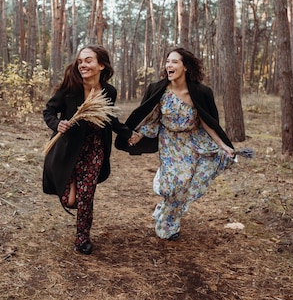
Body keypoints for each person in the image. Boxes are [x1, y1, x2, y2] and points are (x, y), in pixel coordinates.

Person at [116, 47, 236, 241]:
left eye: (174, 62)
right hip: (169, 142)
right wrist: (139, 135)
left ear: (185, 67)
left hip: (193, 141)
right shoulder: (159, 90)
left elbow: (207, 121)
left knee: (188, 183)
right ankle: (164, 191)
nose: (169, 65)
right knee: (174, 186)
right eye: (168, 61)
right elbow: (153, 118)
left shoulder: (200, 92)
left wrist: (223, 145)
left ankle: (168, 224)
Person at [43, 45, 132, 255]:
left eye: (88, 60)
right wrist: (58, 124)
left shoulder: (109, 91)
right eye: (81, 61)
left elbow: (109, 118)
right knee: (70, 200)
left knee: (87, 196)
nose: (83, 65)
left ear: (101, 65)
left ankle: (82, 237)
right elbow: (49, 111)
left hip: (95, 149)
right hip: (68, 149)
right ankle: (72, 180)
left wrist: (127, 132)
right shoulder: (70, 87)